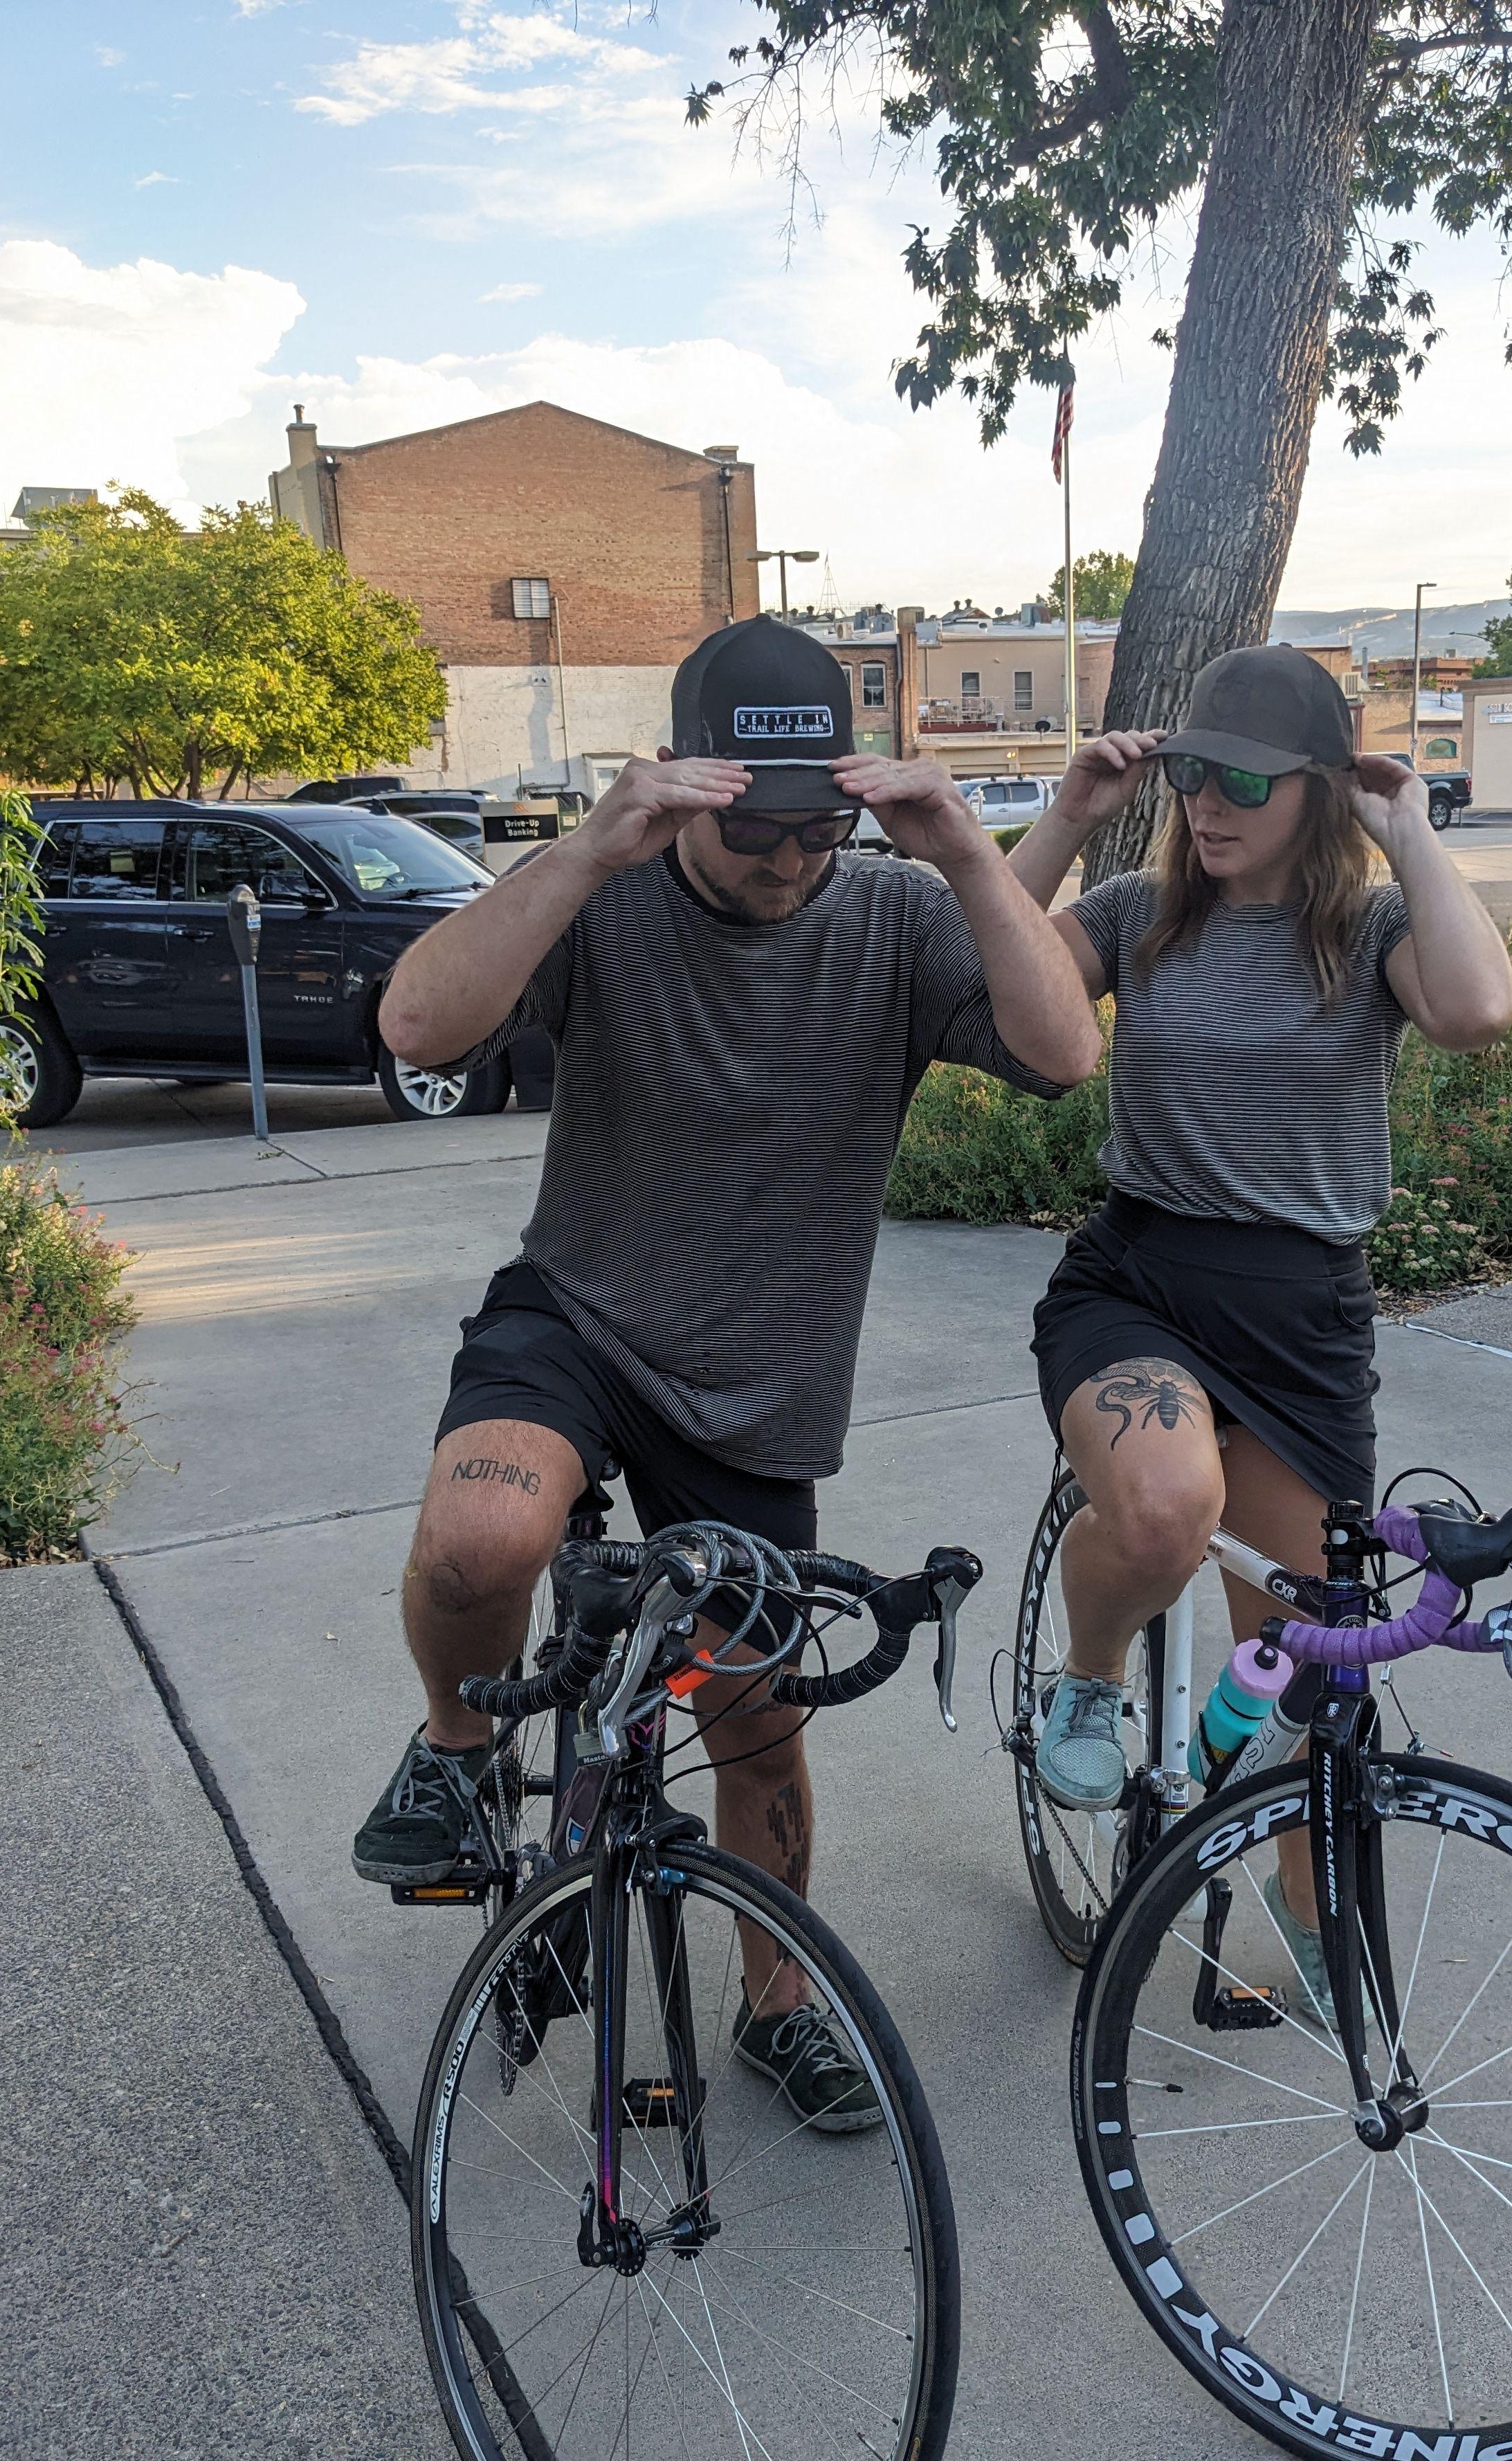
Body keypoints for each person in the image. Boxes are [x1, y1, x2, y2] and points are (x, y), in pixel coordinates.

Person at [353, 614, 1102, 2129]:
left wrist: (963, 849)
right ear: (691, 790)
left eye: (815, 826)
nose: (787, 860)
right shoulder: (607, 896)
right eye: (756, 830)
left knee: (758, 1715)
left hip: (761, 1374)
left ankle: (778, 2000)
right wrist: (577, 853)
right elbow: (419, 1023)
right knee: (485, 1535)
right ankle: (455, 1753)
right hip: (576, 1315)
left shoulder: (890, 915)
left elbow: (1062, 1053)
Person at [1005, 642, 1512, 2020]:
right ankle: (1091, 1680)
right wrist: (1066, 812)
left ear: (1318, 788)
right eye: (1190, 775)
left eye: (1245, 778)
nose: (1209, 805)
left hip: (1302, 1318)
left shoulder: (1365, 934)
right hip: (1142, 1282)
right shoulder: (1135, 914)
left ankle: (1298, 1896)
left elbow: (1477, 1008)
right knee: (1168, 1512)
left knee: (1307, 1669)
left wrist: (1409, 832)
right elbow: (978, 961)